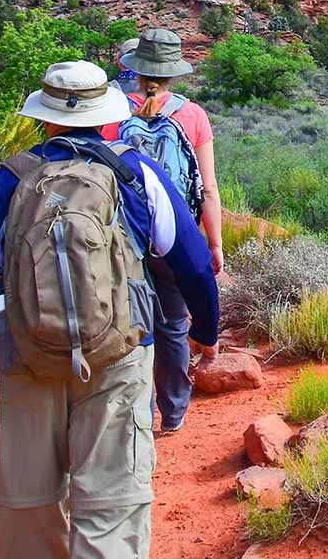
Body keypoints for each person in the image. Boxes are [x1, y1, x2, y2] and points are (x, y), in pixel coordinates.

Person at [0, 59, 219, 559]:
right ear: (104, 114)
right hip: (119, 356)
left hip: (27, 360)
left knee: (28, 508)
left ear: (44, 117)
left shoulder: (6, 184)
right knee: (112, 507)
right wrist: (207, 330)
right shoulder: (135, 173)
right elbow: (193, 263)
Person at [106, 28, 222, 434]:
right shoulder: (193, 116)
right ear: (174, 72)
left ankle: (134, 412)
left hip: (125, 236)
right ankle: (172, 413)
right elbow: (207, 188)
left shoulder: (111, 113)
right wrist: (214, 242)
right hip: (176, 237)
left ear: (134, 69)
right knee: (173, 322)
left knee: (126, 320)